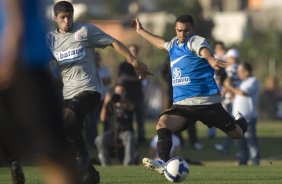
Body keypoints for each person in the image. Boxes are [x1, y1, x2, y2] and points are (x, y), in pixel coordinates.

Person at [47, 1, 151, 183]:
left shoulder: (85, 31)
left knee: (66, 119)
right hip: (67, 95)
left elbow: (114, 42)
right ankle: (89, 172)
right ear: (55, 18)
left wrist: (133, 60)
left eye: (70, 16)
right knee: (66, 130)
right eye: (62, 17)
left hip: (90, 90)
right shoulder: (51, 40)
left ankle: (83, 159)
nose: (67, 20)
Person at [132, 14, 248, 174]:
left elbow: (204, 50)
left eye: (186, 31)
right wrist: (140, 31)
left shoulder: (196, 41)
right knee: (163, 122)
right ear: (175, 30)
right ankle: (163, 162)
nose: (182, 34)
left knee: (237, 134)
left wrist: (211, 60)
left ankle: (241, 121)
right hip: (184, 104)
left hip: (206, 103)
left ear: (192, 29)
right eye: (179, 31)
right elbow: (160, 43)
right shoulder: (173, 44)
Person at [0, 0, 78, 184]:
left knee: (54, 155)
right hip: (19, 64)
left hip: (21, 62)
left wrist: (11, 51)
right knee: (55, 156)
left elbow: (16, 18)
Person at [224, 62, 260, 165]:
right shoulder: (242, 83)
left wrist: (229, 87)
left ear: (247, 71)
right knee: (240, 140)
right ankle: (242, 159)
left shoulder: (253, 81)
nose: (238, 73)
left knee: (251, 140)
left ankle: (255, 160)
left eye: (240, 71)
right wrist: (228, 84)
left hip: (249, 116)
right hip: (239, 117)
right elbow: (235, 95)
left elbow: (242, 93)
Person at [95, 84, 136, 166]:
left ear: (124, 92)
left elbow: (131, 107)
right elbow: (102, 119)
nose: (119, 94)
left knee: (130, 137)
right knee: (99, 139)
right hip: (113, 133)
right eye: (117, 92)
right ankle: (106, 165)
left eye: (121, 91)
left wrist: (122, 101)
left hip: (126, 132)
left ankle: (127, 165)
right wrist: (105, 103)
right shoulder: (110, 104)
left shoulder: (128, 101)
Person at [118, 44, 146, 144]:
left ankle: (141, 140)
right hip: (128, 96)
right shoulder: (122, 65)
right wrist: (135, 79)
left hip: (139, 95)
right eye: (130, 51)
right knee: (128, 119)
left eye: (134, 51)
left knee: (140, 120)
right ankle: (130, 140)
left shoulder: (139, 64)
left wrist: (135, 66)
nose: (132, 53)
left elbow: (141, 77)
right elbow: (123, 77)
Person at [84, 52, 112, 148]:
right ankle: (94, 143)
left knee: (106, 122)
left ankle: (106, 142)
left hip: (104, 100)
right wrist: (101, 80)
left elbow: (109, 81)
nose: (96, 60)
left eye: (97, 58)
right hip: (93, 100)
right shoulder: (88, 69)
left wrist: (95, 80)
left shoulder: (105, 69)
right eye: (94, 58)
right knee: (92, 123)